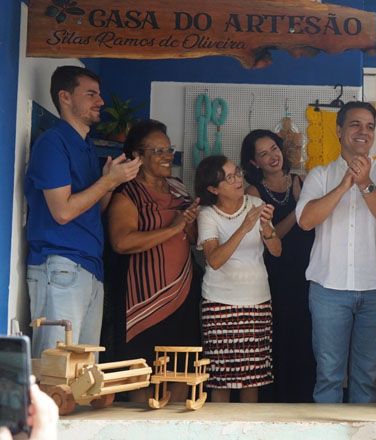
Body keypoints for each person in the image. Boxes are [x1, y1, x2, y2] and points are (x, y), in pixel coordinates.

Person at [24, 66, 141, 358]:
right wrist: (108, 182)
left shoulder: (86, 146)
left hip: (89, 268)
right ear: (65, 97)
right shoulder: (53, 142)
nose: (100, 101)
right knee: (57, 367)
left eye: (98, 94)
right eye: (90, 94)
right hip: (60, 264)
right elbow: (62, 212)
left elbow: (92, 209)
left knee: (83, 372)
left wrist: (112, 183)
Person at [296, 101, 376, 403]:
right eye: (355, 124)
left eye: (370, 126)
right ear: (339, 130)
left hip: (375, 288)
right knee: (328, 375)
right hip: (328, 288)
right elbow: (306, 221)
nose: (363, 132)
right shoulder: (320, 175)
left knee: (366, 377)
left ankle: (360, 428)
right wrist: (345, 184)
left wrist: (365, 183)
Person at [107, 119, 202, 402]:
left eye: (168, 149)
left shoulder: (178, 188)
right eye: (158, 151)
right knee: (142, 376)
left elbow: (193, 238)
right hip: (143, 302)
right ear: (137, 155)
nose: (167, 156)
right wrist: (172, 228)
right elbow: (121, 242)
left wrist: (190, 223)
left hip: (182, 294)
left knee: (181, 371)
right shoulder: (127, 192)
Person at [195, 155, 281, 403]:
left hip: (257, 300)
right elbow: (214, 260)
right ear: (213, 189)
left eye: (238, 173)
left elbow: (277, 251)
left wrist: (267, 228)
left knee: (252, 379)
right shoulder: (207, 215)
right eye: (229, 178)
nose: (237, 180)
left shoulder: (256, 203)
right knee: (220, 379)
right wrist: (244, 227)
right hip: (219, 302)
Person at [241, 129, 316, 403]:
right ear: (254, 162)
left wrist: (305, 203)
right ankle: (277, 401)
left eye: (274, 148)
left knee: (306, 336)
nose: (272, 156)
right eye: (263, 154)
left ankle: (304, 401)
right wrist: (299, 208)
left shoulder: (302, 180)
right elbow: (271, 236)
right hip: (275, 276)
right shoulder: (254, 192)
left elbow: (315, 224)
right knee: (279, 336)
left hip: (307, 272)